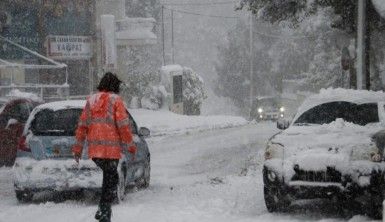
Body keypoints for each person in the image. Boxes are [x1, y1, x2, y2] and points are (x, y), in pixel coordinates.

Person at [72, 72, 136, 222]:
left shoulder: (92, 100)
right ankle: (104, 212)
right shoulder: (116, 101)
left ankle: (103, 210)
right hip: (111, 151)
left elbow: (82, 126)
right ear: (114, 85)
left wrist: (78, 149)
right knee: (111, 179)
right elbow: (123, 126)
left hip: (96, 152)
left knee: (110, 178)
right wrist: (130, 146)